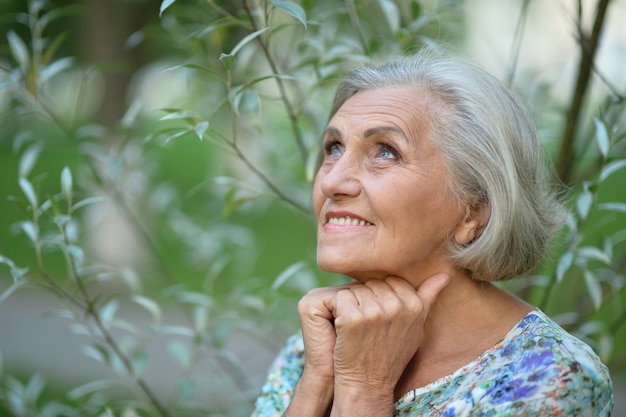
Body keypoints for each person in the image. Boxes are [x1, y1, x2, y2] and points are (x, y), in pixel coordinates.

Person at [251, 49, 614, 416]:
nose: (331, 180)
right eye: (334, 148)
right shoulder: (315, 345)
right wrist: (318, 381)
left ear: (474, 211)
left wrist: (363, 388)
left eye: (385, 153)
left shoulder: (548, 377)